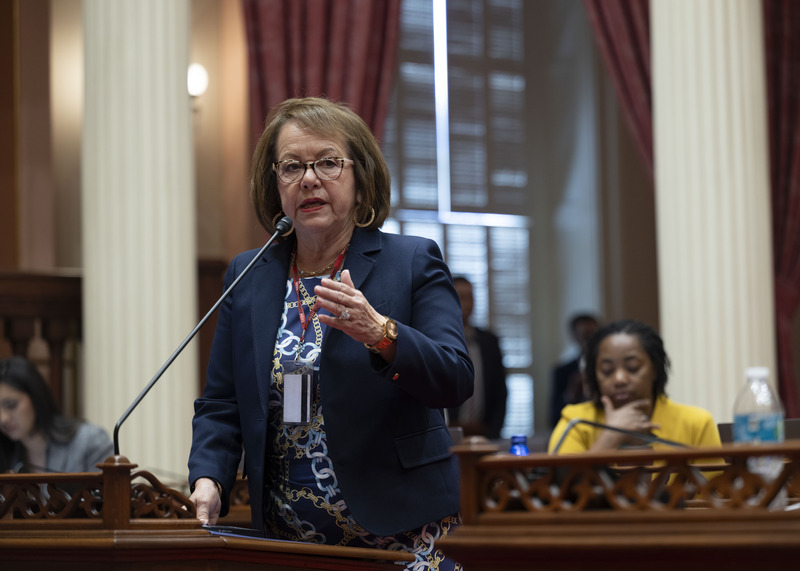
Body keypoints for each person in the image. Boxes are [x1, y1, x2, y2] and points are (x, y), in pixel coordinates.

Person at [188, 97, 474, 569]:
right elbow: (222, 404)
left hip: (405, 536)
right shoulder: (250, 275)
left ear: (361, 181)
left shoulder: (412, 262)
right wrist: (208, 480)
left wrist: (382, 334)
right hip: (290, 542)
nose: (309, 179)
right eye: (291, 167)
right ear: (275, 185)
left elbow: (456, 378)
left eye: (327, 162)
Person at [548, 319, 721, 454]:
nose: (620, 379)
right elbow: (566, 493)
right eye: (607, 371)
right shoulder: (575, 422)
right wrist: (611, 436)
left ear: (655, 369)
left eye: (633, 368)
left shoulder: (695, 423)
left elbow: (713, 495)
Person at [0, 355, 114, 473]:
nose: (3, 419)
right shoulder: (7, 455)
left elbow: (112, 490)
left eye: (11, 405)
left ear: (36, 397)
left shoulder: (90, 442)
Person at [447, 276, 507, 440]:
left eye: (471, 297)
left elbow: (500, 392)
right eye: (461, 297)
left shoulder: (490, 341)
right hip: (447, 433)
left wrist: (494, 432)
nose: (467, 304)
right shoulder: (438, 341)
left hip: (484, 433)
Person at [548, 313, 600, 429]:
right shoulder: (562, 371)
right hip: (574, 429)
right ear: (574, 336)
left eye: (594, 334)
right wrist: (570, 394)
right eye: (585, 335)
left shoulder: (611, 369)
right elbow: (553, 418)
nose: (589, 340)